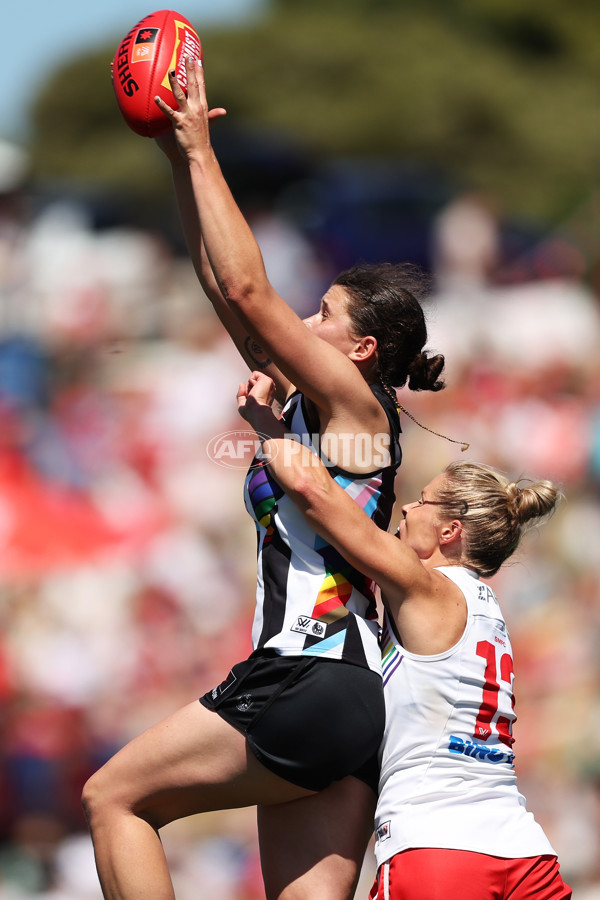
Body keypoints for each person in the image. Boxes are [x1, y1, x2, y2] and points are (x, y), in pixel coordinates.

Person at [82, 57, 446, 900]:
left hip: (306, 675)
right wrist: (178, 156)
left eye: (322, 314)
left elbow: (249, 290)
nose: (302, 320)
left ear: (361, 351)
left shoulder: (358, 410)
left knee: (115, 800)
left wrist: (205, 147)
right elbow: (224, 286)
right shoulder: (320, 408)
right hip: (354, 701)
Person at [238, 371, 572, 900]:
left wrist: (266, 425)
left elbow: (316, 495)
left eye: (424, 500)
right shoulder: (486, 606)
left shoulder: (424, 586)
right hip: (525, 852)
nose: (408, 508)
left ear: (450, 530)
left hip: (437, 845)